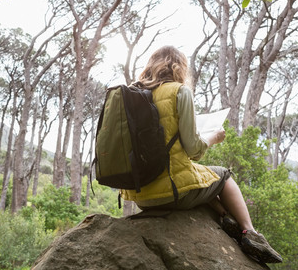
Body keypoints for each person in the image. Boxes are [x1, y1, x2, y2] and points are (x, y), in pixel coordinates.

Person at [120, 45, 282, 264]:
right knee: (223, 176)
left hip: (139, 195)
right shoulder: (179, 91)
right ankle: (250, 233)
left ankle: (225, 216)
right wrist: (213, 137)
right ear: (179, 67)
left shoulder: (132, 94)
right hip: (171, 192)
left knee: (202, 180)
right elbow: (194, 150)